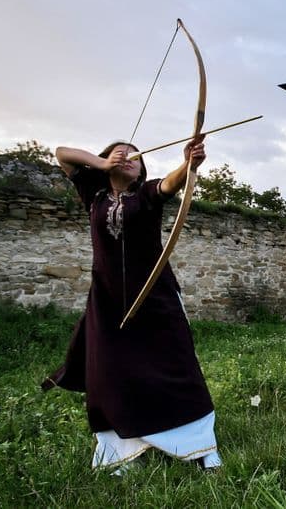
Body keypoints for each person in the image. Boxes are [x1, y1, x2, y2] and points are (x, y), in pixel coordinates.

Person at [42, 139, 220, 473]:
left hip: (156, 298)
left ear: (141, 170)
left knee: (176, 367)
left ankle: (199, 447)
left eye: (135, 156)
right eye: (119, 153)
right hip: (107, 304)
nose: (128, 158)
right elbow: (62, 153)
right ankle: (120, 455)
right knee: (110, 375)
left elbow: (171, 182)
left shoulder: (146, 195)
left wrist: (189, 165)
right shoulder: (92, 195)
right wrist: (100, 162)